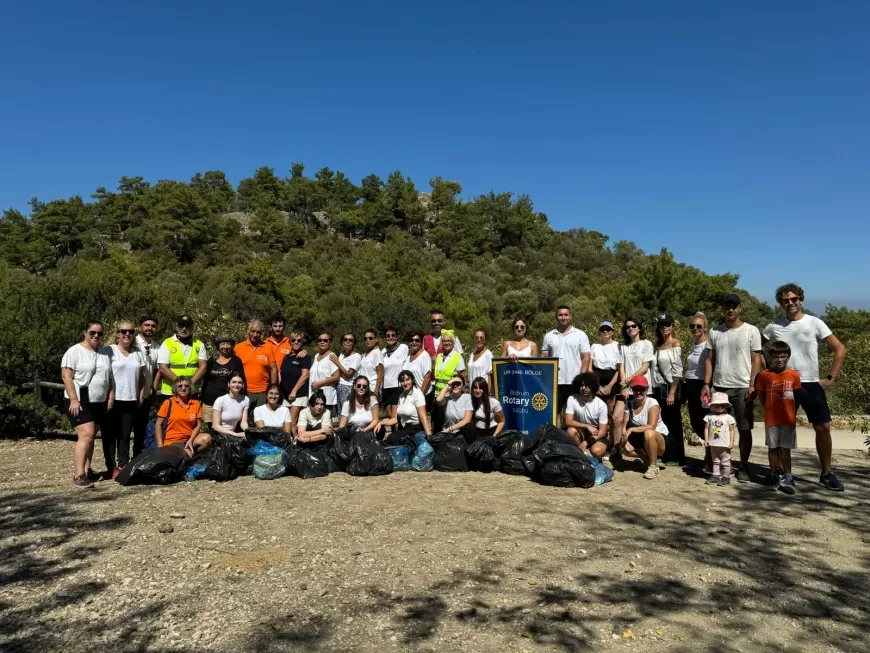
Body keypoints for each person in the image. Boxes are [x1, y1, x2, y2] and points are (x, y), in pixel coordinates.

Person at [762, 283, 847, 492]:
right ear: (781, 303)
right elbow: (756, 350)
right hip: (784, 384)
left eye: (794, 299)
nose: (790, 303)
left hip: (810, 382)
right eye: (785, 300)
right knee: (783, 429)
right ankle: (783, 472)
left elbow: (840, 349)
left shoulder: (814, 322)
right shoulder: (774, 326)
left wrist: (830, 378)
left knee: (823, 427)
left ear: (801, 299)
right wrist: (768, 373)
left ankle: (827, 473)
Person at [702, 294, 763, 483]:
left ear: (740, 309)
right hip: (719, 386)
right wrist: (706, 383)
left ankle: (743, 466)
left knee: (744, 428)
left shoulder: (751, 331)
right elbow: (710, 359)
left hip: (742, 387)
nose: (730, 310)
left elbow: (756, 359)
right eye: (727, 306)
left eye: (733, 306)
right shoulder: (715, 331)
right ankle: (715, 465)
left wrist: (753, 384)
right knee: (714, 427)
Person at [61, 321, 113, 488]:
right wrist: (74, 400)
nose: (96, 336)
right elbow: (67, 377)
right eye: (92, 333)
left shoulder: (103, 353)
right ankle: (79, 475)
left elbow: (109, 376)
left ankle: (87, 469)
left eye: (99, 333)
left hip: (98, 400)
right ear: (85, 332)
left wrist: (110, 396)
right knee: (86, 434)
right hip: (79, 400)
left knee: (92, 437)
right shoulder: (74, 351)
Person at [755, 340, 803, 495]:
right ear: (771, 357)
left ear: (788, 357)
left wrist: (791, 412)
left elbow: (796, 396)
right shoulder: (764, 375)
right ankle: (773, 474)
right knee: (773, 448)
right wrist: (767, 409)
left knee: (785, 449)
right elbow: (761, 395)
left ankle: (788, 476)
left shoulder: (794, 375)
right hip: (772, 418)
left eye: (783, 356)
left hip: (788, 419)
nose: (780, 359)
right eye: (776, 356)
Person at [101, 321, 146, 478]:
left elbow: (142, 377)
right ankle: (110, 466)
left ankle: (123, 464)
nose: (127, 334)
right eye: (124, 331)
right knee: (109, 434)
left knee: (125, 434)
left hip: (130, 398)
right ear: (117, 334)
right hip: (111, 399)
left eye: (131, 331)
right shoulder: (108, 351)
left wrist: (140, 393)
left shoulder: (137, 353)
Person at [541, 306, 591, 416]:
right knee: (555, 413)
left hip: (574, 381)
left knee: (576, 413)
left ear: (570, 316)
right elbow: (544, 358)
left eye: (566, 315)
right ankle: (556, 434)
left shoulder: (580, 334)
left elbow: (586, 358)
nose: (563, 317)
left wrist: (581, 378)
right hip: (555, 382)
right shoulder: (548, 336)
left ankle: (574, 433)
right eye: (560, 315)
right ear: (556, 317)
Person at [617, 375, 668, 480]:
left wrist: (630, 430)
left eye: (641, 389)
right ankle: (646, 460)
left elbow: (652, 426)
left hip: (660, 439)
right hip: (642, 437)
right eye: (636, 389)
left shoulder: (652, 403)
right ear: (632, 389)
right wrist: (625, 439)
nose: (638, 392)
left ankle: (653, 466)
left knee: (649, 432)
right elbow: (624, 425)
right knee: (622, 447)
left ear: (646, 389)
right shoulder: (629, 404)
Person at [651, 314, 684, 466]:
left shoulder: (675, 344)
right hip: (658, 389)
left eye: (667, 324)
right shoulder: (658, 345)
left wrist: (672, 392)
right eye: (662, 325)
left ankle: (677, 456)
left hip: (670, 389)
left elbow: (678, 371)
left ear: (672, 326)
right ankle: (665, 453)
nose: (664, 327)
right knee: (662, 422)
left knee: (674, 422)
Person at [154, 377, 211, 455]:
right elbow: (158, 424)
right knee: (187, 454)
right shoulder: (168, 403)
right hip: (172, 441)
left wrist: (191, 440)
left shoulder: (196, 404)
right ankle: (188, 454)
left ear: (190, 388)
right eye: (180, 386)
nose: (183, 388)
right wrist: (160, 445)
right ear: (175, 388)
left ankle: (191, 453)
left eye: (186, 386)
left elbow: (198, 425)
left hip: (189, 439)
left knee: (207, 439)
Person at [157, 315, 207, 402]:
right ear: (176, 327)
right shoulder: (167, 343)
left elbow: (203, 367)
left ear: (192, 328)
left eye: (187, 326)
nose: (184, 329)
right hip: (170, 392)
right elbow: (162, 368)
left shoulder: (199, 344)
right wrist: (180, 384)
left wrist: (189, 384)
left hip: (192, 391)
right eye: (181, 326)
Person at [200, 334, 245, 426]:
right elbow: (206, 379)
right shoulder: (211, 360)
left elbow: (241, 379)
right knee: (211, 429)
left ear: (232, 346)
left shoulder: (236, 361)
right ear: (218, 346)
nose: (225, 347)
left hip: (228, 401)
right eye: (222, 344)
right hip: (209, 401)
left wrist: (242, 397)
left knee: (226, 427)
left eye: (228, 344)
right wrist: (202, 397)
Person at [234, 320, 277, 416]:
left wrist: (273, 388)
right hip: (243, 391)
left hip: (262, 392)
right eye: (253, 331)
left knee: (260, 420)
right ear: (248, 331)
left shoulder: (268, 347)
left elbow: (273, 369)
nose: (255, 334)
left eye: (258, 332)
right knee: (243, 419)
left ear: (262, 333)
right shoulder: (238, 347)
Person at [564, 372, 610, 460]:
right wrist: (587, 426)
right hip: (581, 431)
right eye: (581, 385)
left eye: (587, 386)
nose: (583, 388)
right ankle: (581, 453)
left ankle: (589, 450)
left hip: (597, 434)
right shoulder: (572, 399)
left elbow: (603, 431)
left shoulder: (601, 405)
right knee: (570, 431)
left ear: (592, 387)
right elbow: (568, 421)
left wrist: (587, 442)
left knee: (597, 451)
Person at [683, 312, 711, 457]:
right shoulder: (693, 343)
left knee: (706, 420)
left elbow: (711, 364)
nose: (695, 328)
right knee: (695, 421)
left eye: (699, 326)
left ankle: (710, 456)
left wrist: (706, 385)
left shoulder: (708, 345)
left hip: (702, 384)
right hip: (690, 384)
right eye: (692, 326)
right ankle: (710, 454)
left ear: (705, 328)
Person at [133, 315, 160, 457]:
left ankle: (137, 456)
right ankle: (120, 462)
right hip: (130, 394)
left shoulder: (157, 346)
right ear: (140, 327)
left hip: (146, 395)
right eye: (147, 325)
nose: (150, 328)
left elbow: (157, 371)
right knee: (123, 429)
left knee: (141, 427)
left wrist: (153, 390)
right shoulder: (133, 342)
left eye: (153, 325)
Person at [381, 370, 432, 444]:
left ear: (413, 380)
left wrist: (429, 435)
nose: (405, 383)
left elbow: (423, 417)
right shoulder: (402, 396)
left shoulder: (417, 394)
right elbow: (395, 419)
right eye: (402, 381)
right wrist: (381, 423)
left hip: (417, 427)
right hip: (407, 428)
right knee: (391, 438)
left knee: (393, 438)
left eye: (407, 380)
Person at [431, 332, 466, 432]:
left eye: (449, 340)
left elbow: (462, 377)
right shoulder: (439, 356)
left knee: (447, 421)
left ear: (453, 342)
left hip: (450, 395)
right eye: (444, 341)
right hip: (438, 394)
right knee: (437, 421)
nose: (446, 343)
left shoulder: (458, 357)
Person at [279, 331, 312, 432]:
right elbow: (281, 373)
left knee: (292, 421)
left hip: (297, 394)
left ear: (302, 342)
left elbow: (305, 375)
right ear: (290, 342)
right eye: (293, 340)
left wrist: (294, 391)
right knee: (284, 421)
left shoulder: (304, 356)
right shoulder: (286, 357)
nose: (296, 342)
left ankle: (292, 444)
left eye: (299, 340)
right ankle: (287, 441)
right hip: (285, 395)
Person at [590, 321, 620, 427]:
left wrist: (610, 385)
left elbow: (619, 369)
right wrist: (596, 385)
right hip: (597, 378)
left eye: (608, 329)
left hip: (613, 378)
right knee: (597, 408)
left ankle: (611, 436)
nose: (605, 331)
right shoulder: (594, 346)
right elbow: (590, 367)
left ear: (612, 331)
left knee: (611, 408)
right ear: (599, 333)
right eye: (603, 329)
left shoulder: (618, 346)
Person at [703, 393, 737, 487]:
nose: (719, 407)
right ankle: (716, 475)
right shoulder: (709, 417)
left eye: (722, 405)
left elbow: (732, 430)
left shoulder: (729, 418)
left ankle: (726, 477)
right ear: (712, 405)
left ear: (726, 405)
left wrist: (731, 442)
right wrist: (706, 440)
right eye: (717, 405)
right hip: (713, 443)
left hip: (724, 444)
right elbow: (706, 429)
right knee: (715, 460)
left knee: (725, 461)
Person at [617, 317, 654, 400]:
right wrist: (624, 386)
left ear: (639, 328)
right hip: (627, 389)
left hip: (642, 387)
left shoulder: (647, 344)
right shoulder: (623, 346)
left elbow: (644, 368)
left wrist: (627, 381)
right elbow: (622, 368)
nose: (631, 328)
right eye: (628, 327)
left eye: (633, 326)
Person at [380, 326, 409, 416]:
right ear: (385, 338)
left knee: (396, 415)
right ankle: (393, 430)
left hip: (398, 386)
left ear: (397, 337)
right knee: (389, 414)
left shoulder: (403, 347)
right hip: (386, 387)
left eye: (393, 335)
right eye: (388, 336)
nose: (390, 337)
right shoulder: (383, 352)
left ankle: (398, 430)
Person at [210, 372, 250, 438]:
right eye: (234, 382)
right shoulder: (220, 400)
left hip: (232, 435)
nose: (237, 385)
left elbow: (243, 423)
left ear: (242, 385)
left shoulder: (245, 399)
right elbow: (215, 425)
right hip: (218, 434)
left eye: (239, 382)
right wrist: (235, 434)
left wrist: (248, 432)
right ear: (229, 384)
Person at [437, 375, 475, 442]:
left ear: (463, 385)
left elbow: (467, 420)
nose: (455, 386)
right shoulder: (447, 398)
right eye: (453, 384)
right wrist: (448, 384)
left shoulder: (468, 398)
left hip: (462, 434)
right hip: (448, 434)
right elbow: (438, 400)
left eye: (458, 384)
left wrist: (450, 429)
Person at [310, 332, 340, 414]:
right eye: (320, 340)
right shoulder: (316, 356)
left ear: (330, 342)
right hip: (315, 396)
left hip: (326, 398)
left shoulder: (331, 356)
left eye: (325, 340)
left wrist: (319, 384)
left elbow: (336, 376)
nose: (322, 342)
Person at [403, 331, 433, 412]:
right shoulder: (409, 356)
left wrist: (420, 395)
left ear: (421, 343)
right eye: (412, 340)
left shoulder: (424, 356)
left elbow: (427, 377)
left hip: (423, 394)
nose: (414, 342)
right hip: (410, 395)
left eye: (417, 340)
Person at [333, 333, 361, 411]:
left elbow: (349, 374)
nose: (348, 342)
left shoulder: (356, 356)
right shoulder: (342, 354)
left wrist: (337, 362)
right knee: (340, 412)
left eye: (350, 340)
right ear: (342, 342)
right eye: (345, 340)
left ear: (354, 343)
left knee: (347, 412)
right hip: (338, 385)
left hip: (348, 387)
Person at [358, 330, 384, 398]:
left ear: (376, 339)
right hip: (363, 388)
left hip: (372, 389)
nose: (367, 340)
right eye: (365, 338)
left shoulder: (377, 353)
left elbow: (380, 374)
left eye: (370, 338)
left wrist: (376, 392)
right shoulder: (366, 354)